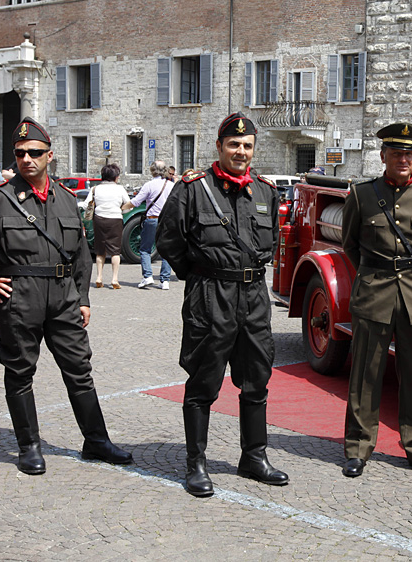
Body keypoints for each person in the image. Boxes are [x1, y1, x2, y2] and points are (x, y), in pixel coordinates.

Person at [0, 117, 131, 475]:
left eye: (35, 153)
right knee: (19, 372)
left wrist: (84, 297)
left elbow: (81, 253)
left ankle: (96, 440)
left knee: (79, 369)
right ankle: (29, 446)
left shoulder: (65, 197)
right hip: (18, 297)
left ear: (49, 155)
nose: (28, 159)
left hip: (63, 297)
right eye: (21, 153)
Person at [157, 112, 287, 496]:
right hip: (210, 296)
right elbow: (168, 240)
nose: (240, 151)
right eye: (233, 144)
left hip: (254, 298)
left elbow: (272, 242)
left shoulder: (264, 191)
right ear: (219, 147)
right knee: (203, 381)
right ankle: (195, 464)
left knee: (257, 380)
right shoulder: (194, 189)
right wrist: (200, 275)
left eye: (247, 146)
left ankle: (254, 457)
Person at [340, 122, 412, 480]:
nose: (403, 159)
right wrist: (375, 273)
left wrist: (409, 272)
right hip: (374, 291)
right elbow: (350, 245)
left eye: (409, 154)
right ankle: (357, 447)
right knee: (366, 373)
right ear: (382, 156)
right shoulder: (361, 193)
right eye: (396, 153)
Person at [124, 159, 173, 289]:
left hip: (152, 218)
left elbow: (135, 202)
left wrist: (122, 207)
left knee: (145, 249)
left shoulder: (149, 185)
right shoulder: (171, 185)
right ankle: (165, 280)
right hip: (166, 220)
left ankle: (147, 276)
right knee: (166, 250)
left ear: (152, 171)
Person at [85, 164, 130, 288]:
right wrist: (121, 210)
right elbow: (128, 204)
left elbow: (86, 204)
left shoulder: (95, 189)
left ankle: (99, 277)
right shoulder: (120, 189)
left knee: (100, 250)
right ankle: (114, 279)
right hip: (115, 218)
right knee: (115, 251)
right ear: (116, 176)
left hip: (99, 219)